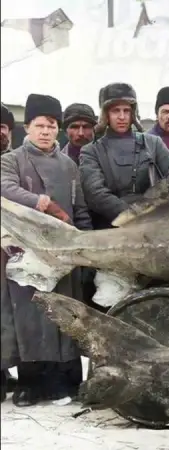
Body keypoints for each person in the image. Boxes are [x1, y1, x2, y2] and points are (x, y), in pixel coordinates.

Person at [0, 94, 92, 406]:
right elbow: (5, 188)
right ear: (27, 127)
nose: (45, 131)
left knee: (63, 316)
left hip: (63, 254)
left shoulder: (69, 165)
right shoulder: (11, 160)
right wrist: (44, 203)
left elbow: (79, 207)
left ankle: (65, 381)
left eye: (51, 126)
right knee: (31, 316)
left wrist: (85, 241)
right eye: (39, 125)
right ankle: (30, 384)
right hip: (26, 253)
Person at [80, 82, 169, 229]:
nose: (122, 117)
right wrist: (132, 216)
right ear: (106, 114)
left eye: (127, 111)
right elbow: (95, 193)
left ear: (133, 113)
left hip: (153, 223)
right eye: (115, 111)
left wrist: (153, 213)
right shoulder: (91, 151)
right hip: (110, 228)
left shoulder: (153, 144)